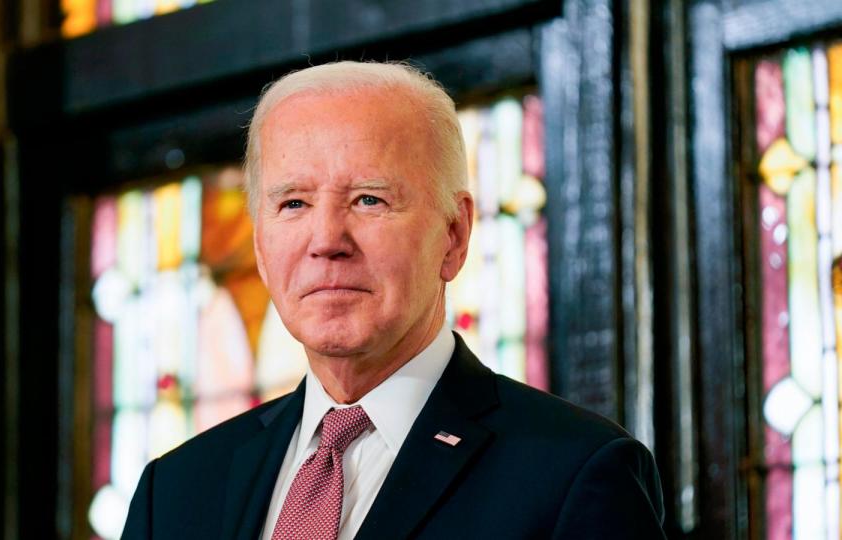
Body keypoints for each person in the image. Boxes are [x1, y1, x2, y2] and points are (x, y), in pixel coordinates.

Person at [121, 61, 665, 539]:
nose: (326, 240)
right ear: (261, 247)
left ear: (453, 236)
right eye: (293, 203)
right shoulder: (173, 492)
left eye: (369, 199)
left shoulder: (573, 473)